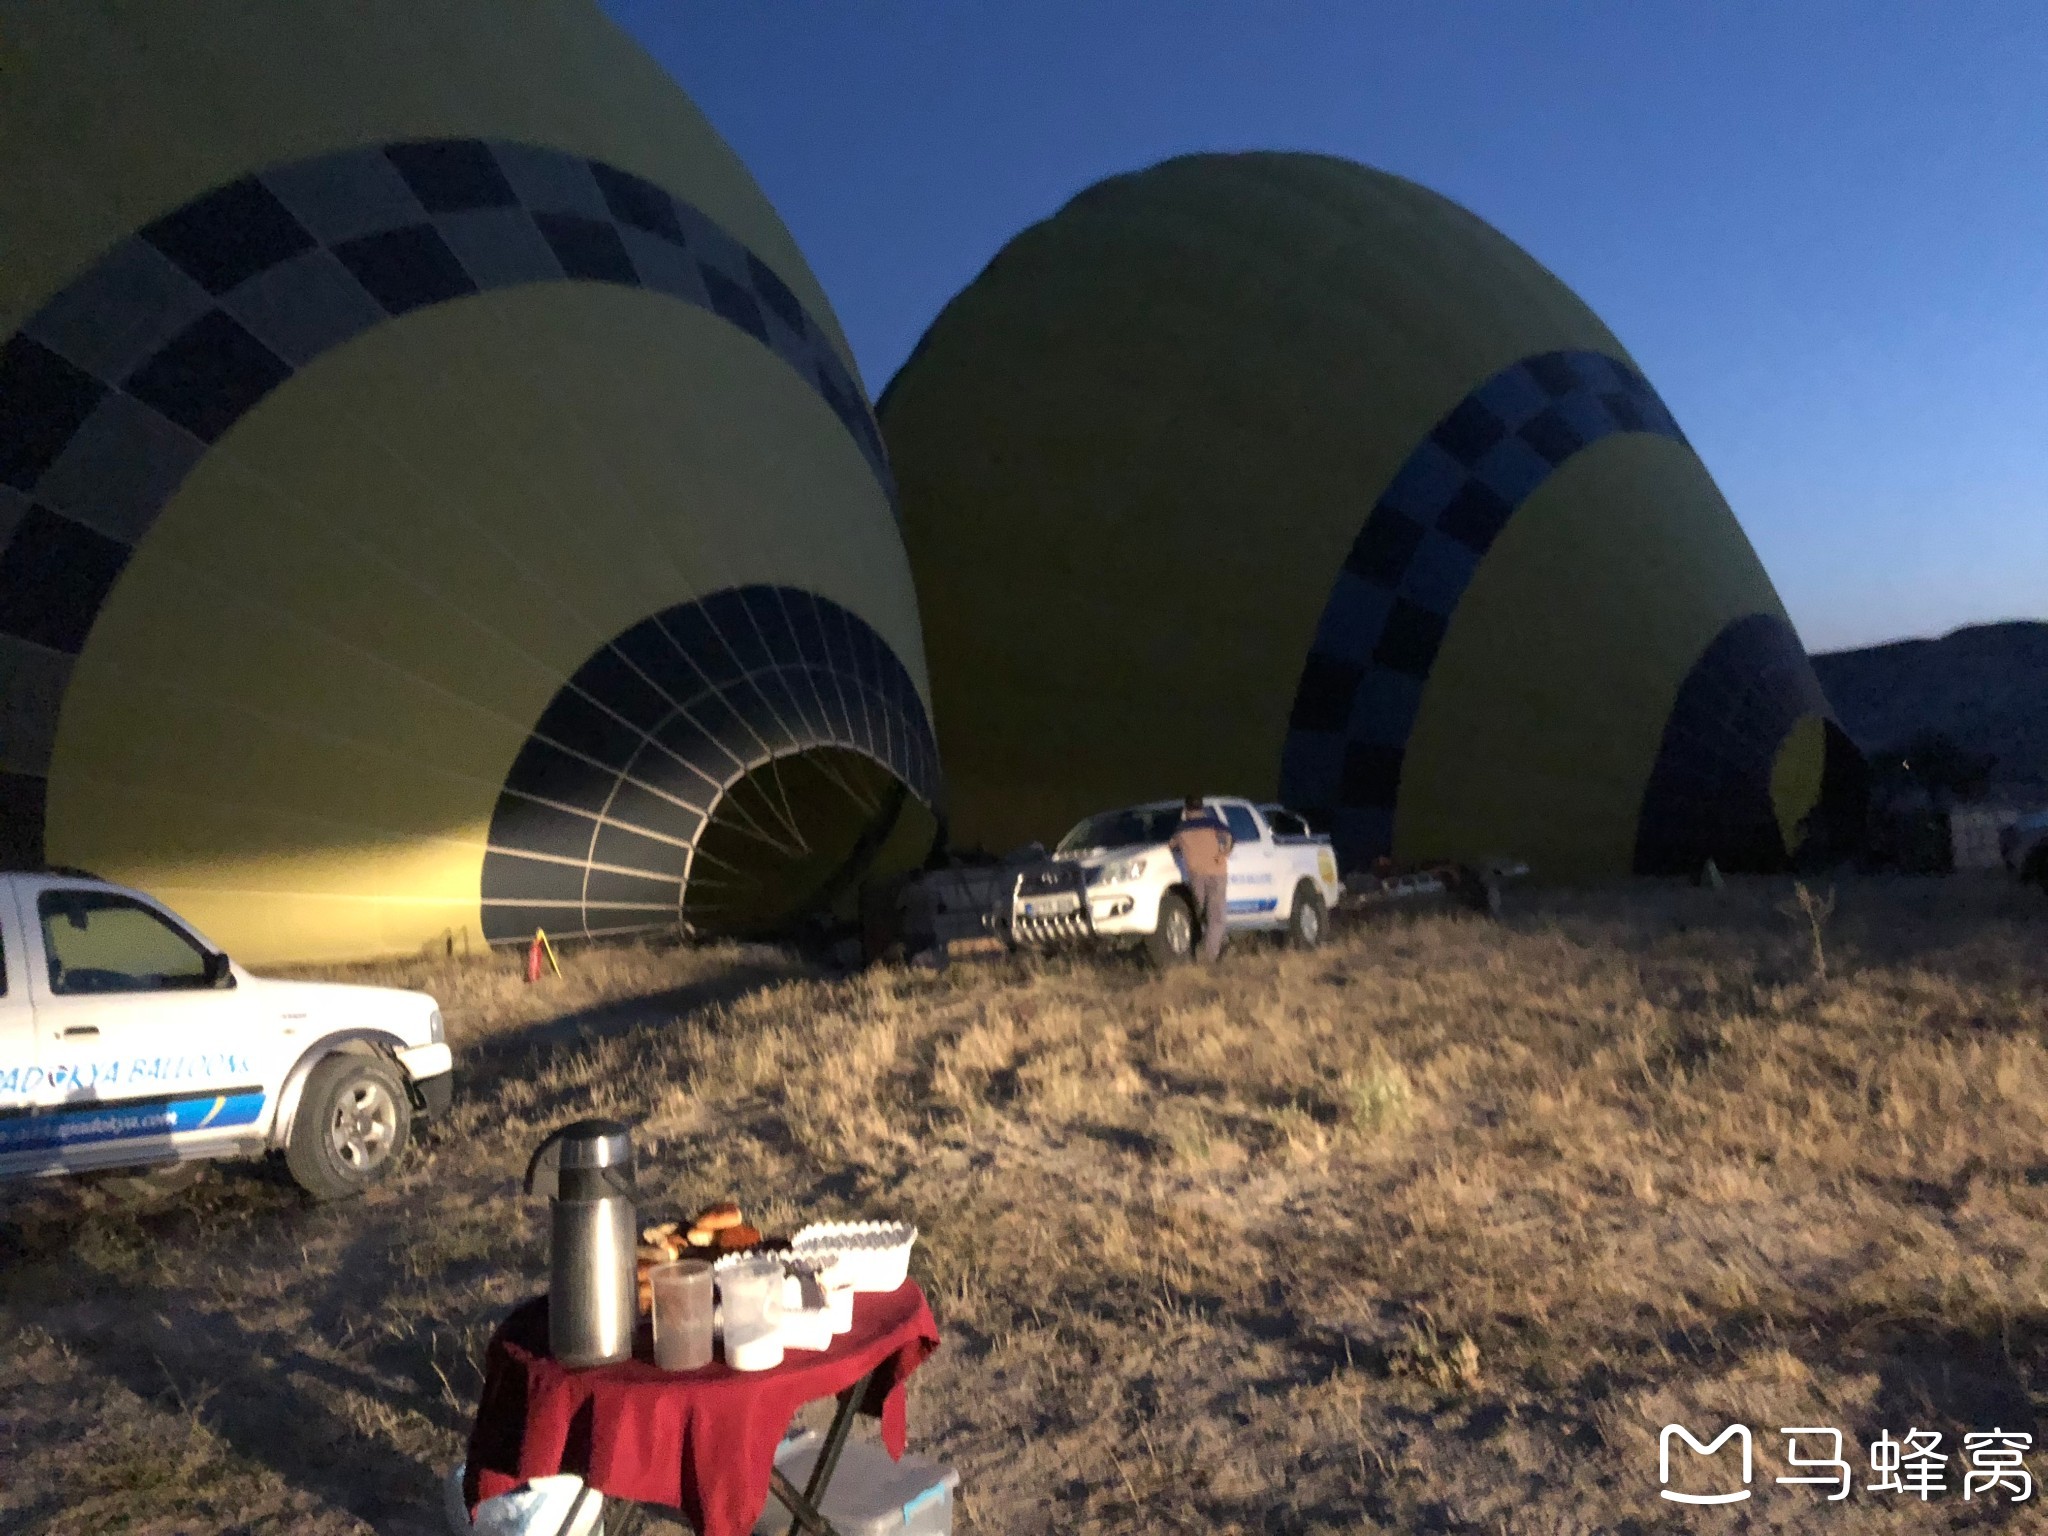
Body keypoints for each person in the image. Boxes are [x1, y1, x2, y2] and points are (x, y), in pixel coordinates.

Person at [1169, 794, 1234, 961]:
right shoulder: (1212, 823)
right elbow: (1230, 837)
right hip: (1217, 871)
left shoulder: (1181, 829)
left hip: (1196, 874)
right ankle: (1210, 955)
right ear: (1202, 807)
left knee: (1201, 912)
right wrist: (1223, 853)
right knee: (1216, 915)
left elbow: (1171, 846)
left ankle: (1213, 949)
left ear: (1186, 809)